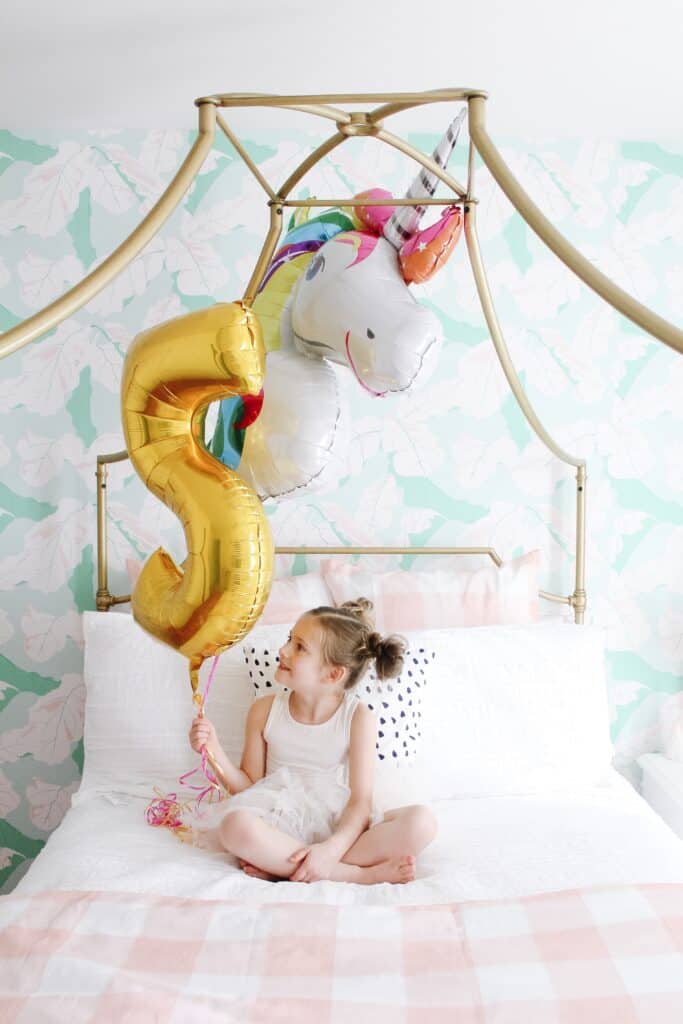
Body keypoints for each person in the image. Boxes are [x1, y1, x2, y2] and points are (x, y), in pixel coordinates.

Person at [188, 598, 438, 884]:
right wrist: (213, 750)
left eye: (299, 647)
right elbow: (247, 786)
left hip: (338, 827)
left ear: (333, 674)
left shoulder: (356, 718)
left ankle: (286, 866)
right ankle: (358, 875)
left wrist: (331, 850)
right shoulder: (264, 710)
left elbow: (360, 803)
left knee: (422, 822)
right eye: (289, 640)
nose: (282, 651)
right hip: (278, 822)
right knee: (235, 827)